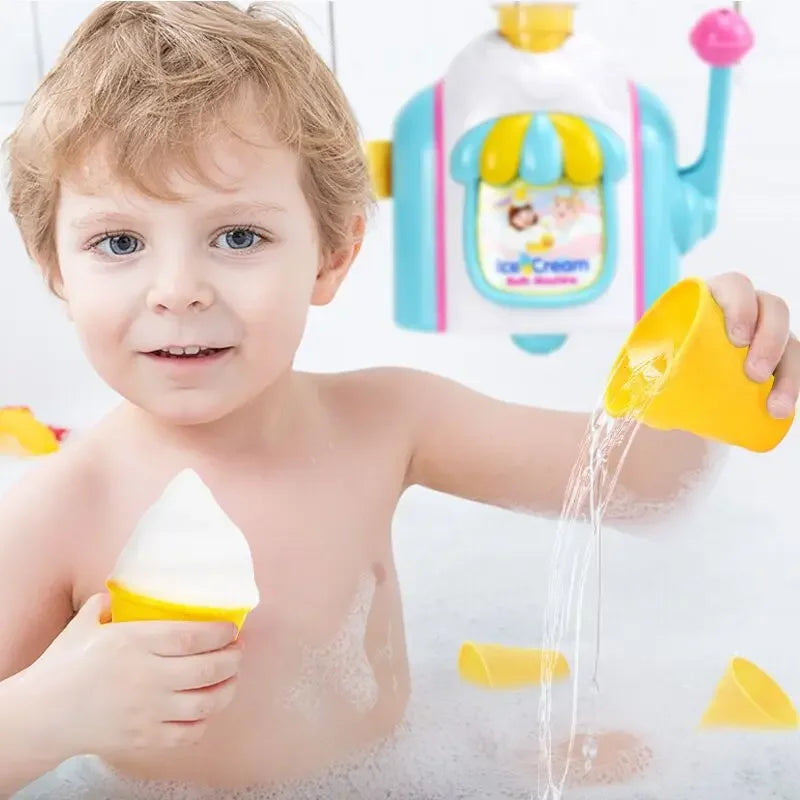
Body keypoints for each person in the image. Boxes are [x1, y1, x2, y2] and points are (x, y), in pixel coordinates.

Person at [0, 2, 796, 797]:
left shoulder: (388, 423)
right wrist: (49, 717)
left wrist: (730, 361)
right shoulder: (62, 510)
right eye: (119, 243)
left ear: (332, 256)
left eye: (238, 236)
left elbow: (645, 484)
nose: (176, 291)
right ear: (57, 272)